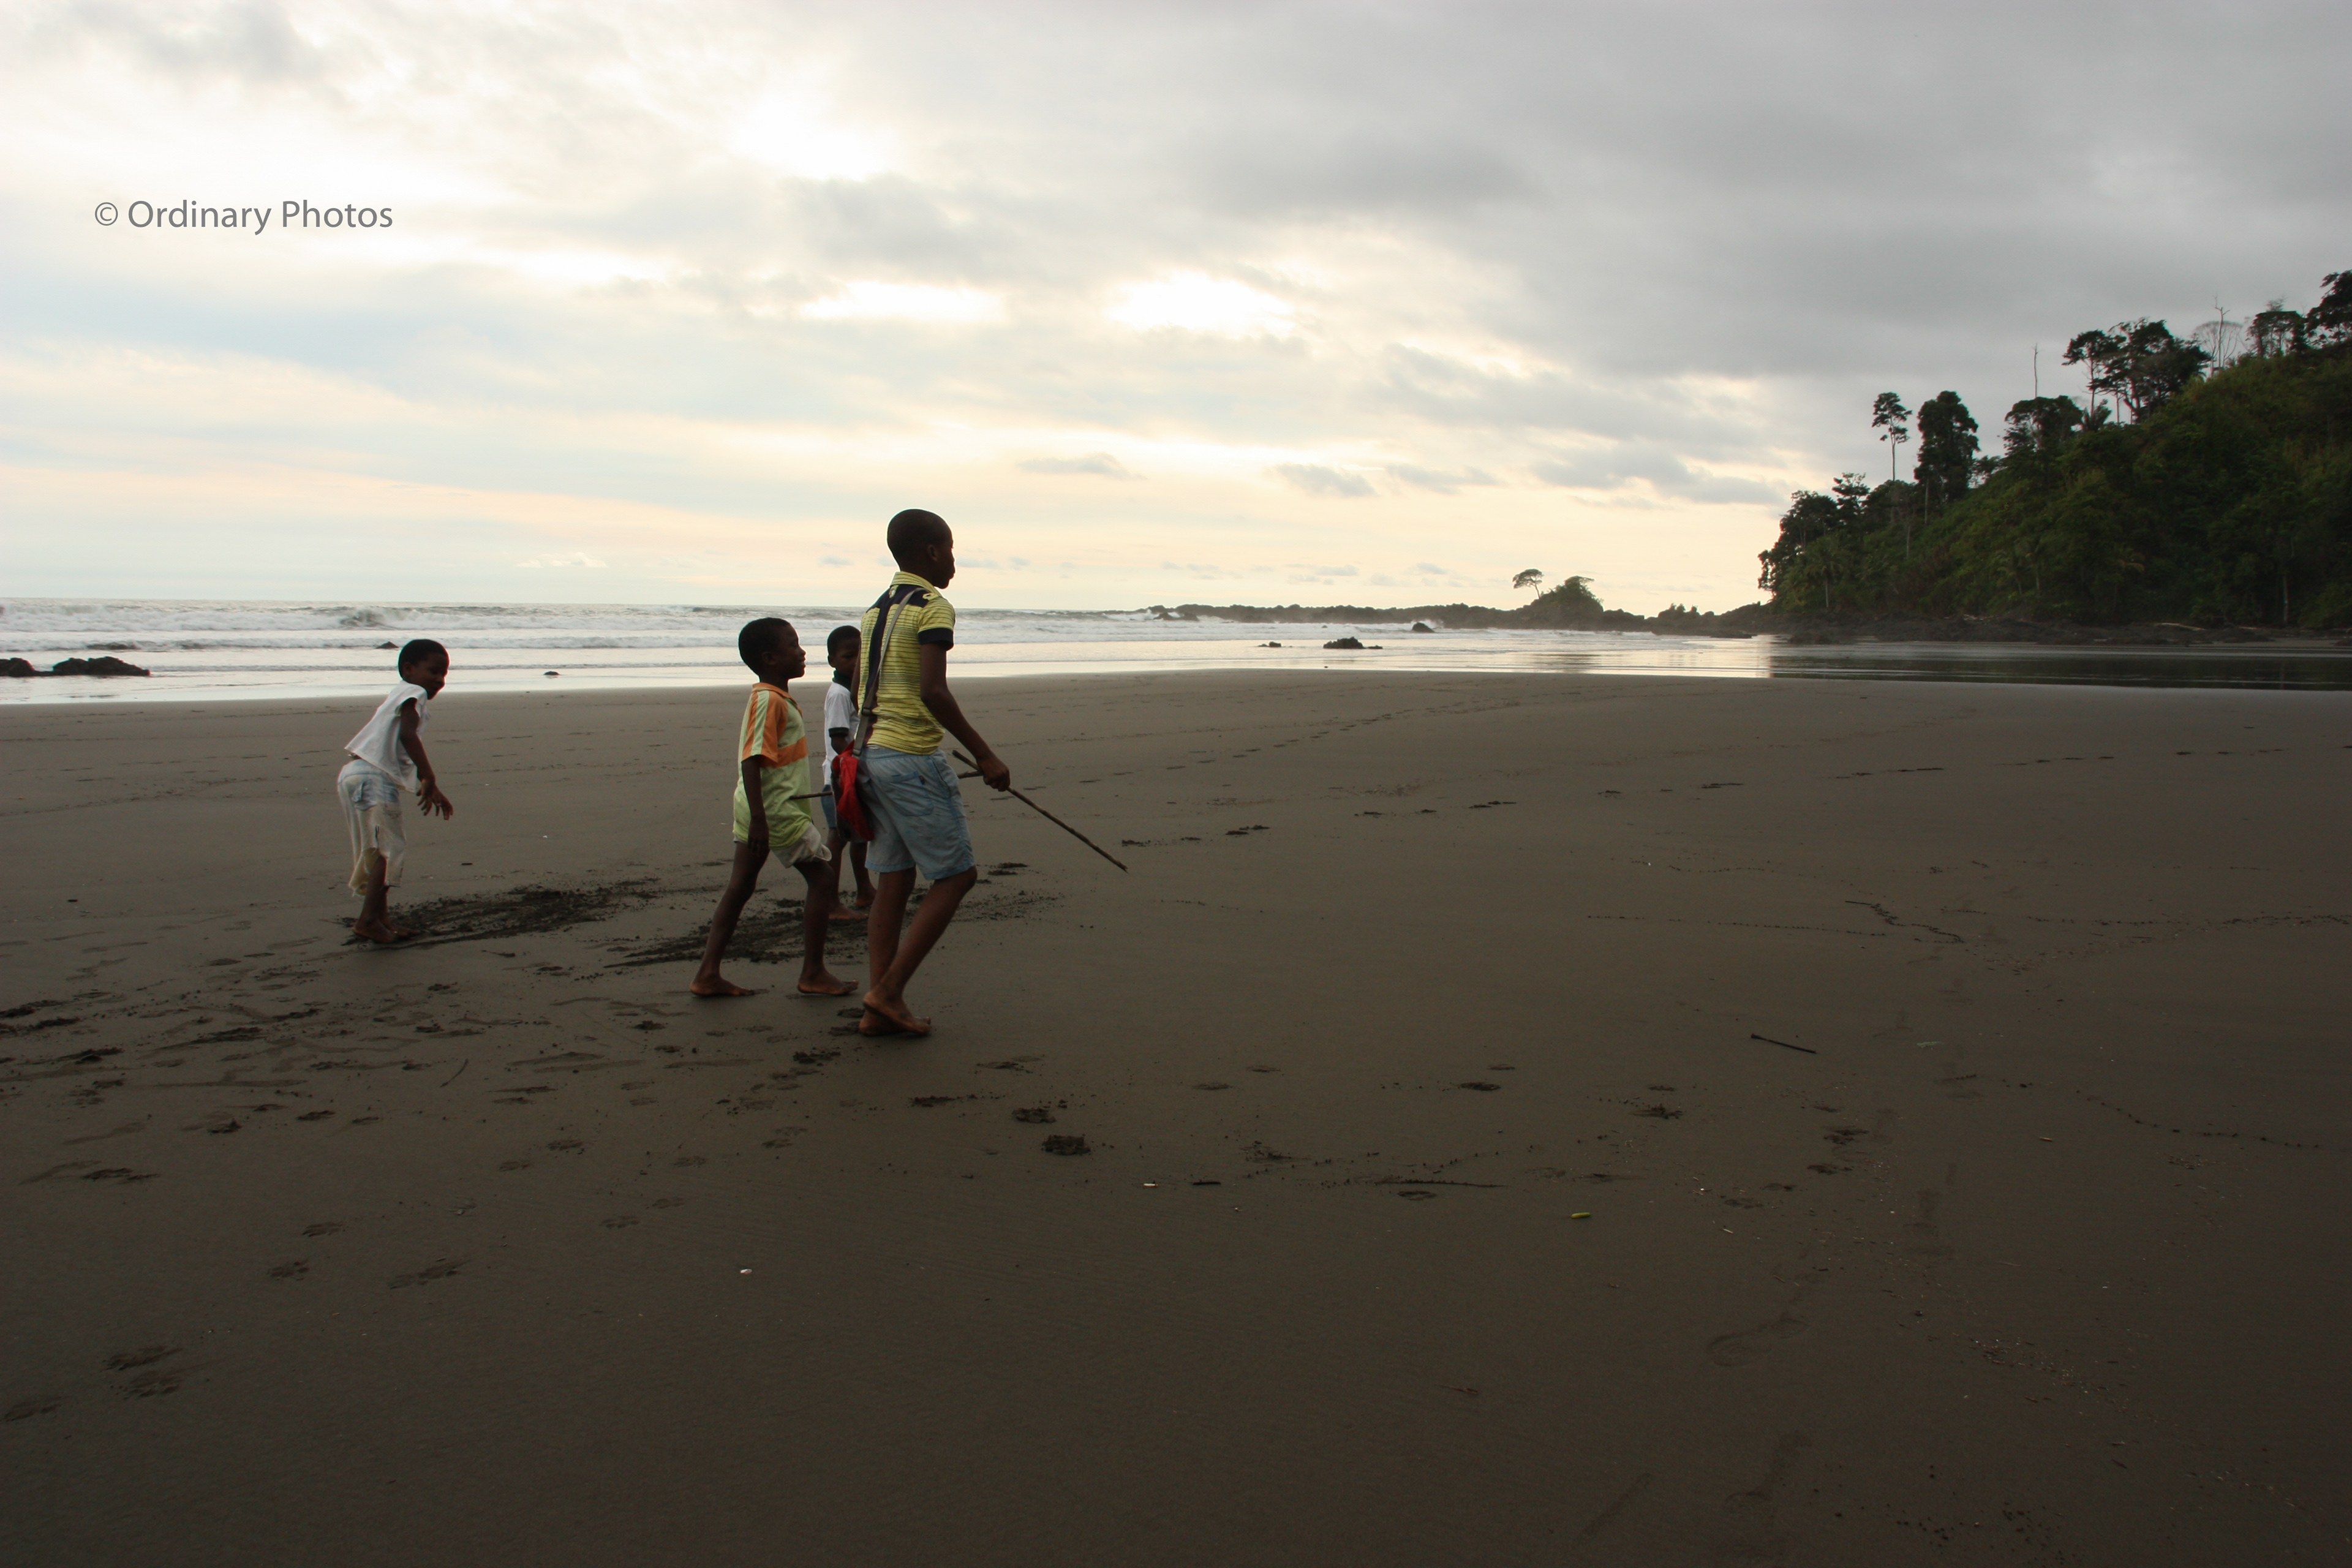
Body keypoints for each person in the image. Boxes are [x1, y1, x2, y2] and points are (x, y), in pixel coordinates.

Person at [849, 508, 1012, 1036]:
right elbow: (933, 691)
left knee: (893, 877)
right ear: (934, 552)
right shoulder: (933, 606)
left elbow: (862, 686)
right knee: (957, 875)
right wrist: (985, 755)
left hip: (869, 753)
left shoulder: (877, 609)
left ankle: (879, 1008)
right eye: (952, 549)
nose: (955, 561)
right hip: (911, 758)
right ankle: (889, 991)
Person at [689, 618, 856, 1000]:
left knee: (740, 887)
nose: (802, 652)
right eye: (793, 646)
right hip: (775, 813)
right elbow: (752, 760)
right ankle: (813, 973)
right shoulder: (768, 701)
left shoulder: (776, 698)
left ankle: (707, 973)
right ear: (769, 658)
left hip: (760, 810)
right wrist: (762, 822)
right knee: (824, 879)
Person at [337, 639, 455, 944]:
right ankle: (367, 921)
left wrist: (430, 786)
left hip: (356, 774)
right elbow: (407, 737)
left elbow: (398, 743)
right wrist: (429, 774)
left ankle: (380, 918)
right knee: (388, 851)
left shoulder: (400, 694)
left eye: (444, 675)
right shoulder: (413, 693)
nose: (439, 680)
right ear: (409, 669)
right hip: (372, 776)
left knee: (380, 850)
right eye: (433, 671)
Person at [819, 625, 876, 917]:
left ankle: (865, 890)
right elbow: (839, 738)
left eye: (860, 655)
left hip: (854, 775)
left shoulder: (856, 690)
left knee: (860, 836)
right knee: (838, 838)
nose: (855, 662)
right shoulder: (840, 694)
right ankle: (829, 900)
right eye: (847, 657)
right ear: (832, 661)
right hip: (840, 779)